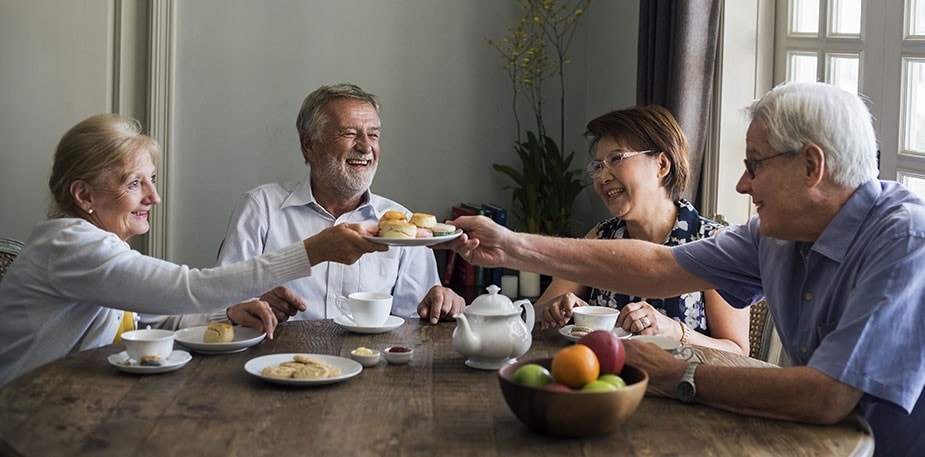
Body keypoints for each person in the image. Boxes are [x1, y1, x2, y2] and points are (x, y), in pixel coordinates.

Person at [440, 82, 925, 456]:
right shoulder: (775, 233)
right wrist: (510, 246)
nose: (741, 184)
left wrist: (678, 374)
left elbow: (827, 396)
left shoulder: (906, 241)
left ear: (811, 166)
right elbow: (658, 266)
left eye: (755, 165)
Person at [0, 113, 385, 387]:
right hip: (27, 416)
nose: (154, 196)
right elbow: (187, 288)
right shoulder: (69, 245)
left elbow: (151, 319)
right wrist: (314, 251)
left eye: (151, 179)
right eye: (135, 183)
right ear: (84, 194)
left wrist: (228, 312)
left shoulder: (96, 249)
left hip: (73, 403)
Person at [214, 83, 464, 326]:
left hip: (370, 363)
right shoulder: (260, 208)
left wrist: (441, 305)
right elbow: (218, 300)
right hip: (278, 361)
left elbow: (415, 320)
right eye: (349, 133)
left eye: (373, 135)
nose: (366, 146)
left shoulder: (404, 225)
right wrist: (249, 306)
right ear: (309, 144)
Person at [535, 105, 749, 355]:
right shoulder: (600, 237)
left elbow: (737, 351)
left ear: (662, 165)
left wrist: (675, 331)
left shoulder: (713, 243)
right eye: (598, 166)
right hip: (608, 384)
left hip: (681, 387)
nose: (603, 177)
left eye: (616, 159)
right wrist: (556, 309)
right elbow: (536, 318)